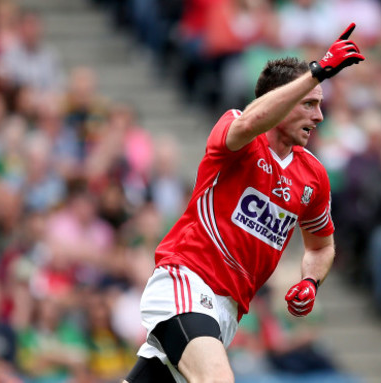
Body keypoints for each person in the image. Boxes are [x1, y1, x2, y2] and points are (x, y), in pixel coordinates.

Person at [123, 23, 365, 383]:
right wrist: (316, 72)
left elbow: (322, 245)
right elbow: (253, 119)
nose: (319, 117)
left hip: (227, 311)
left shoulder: (313, 176)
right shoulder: (237, 131)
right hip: (187, 281)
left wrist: (311, 281)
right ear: (280, 101)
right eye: (309, 104)